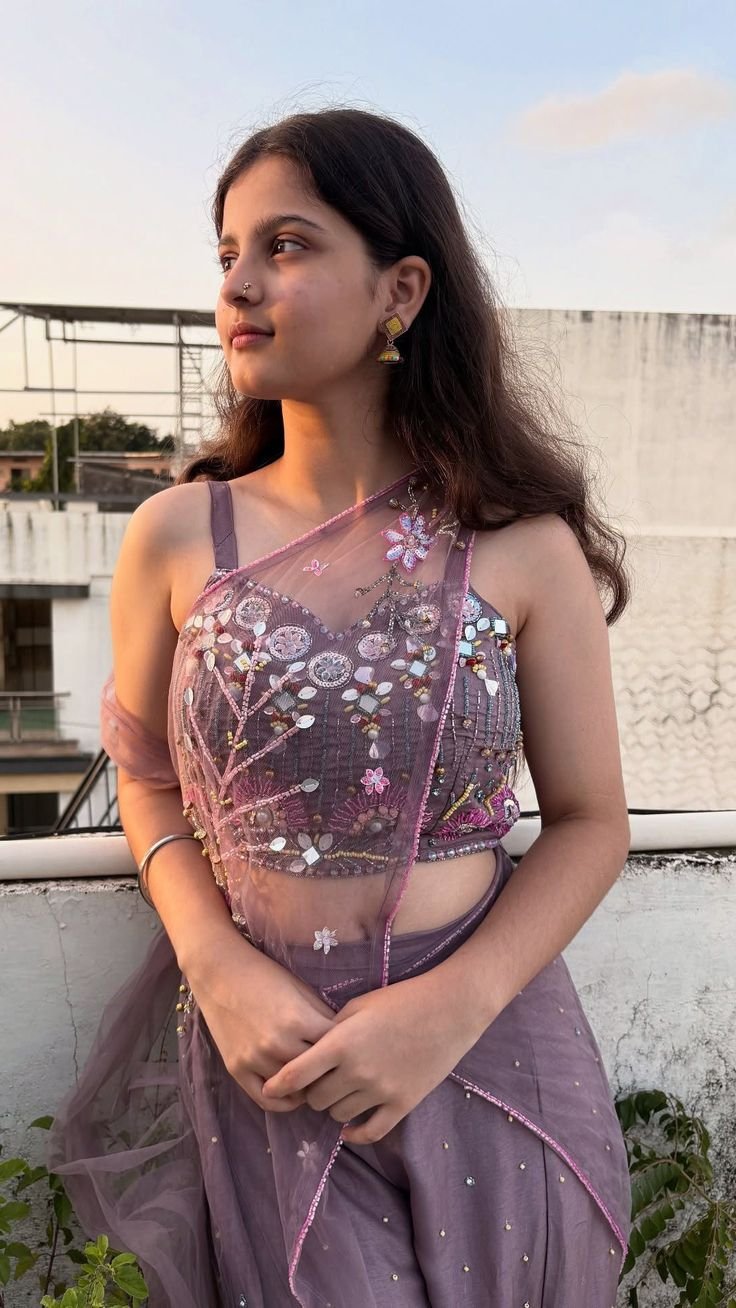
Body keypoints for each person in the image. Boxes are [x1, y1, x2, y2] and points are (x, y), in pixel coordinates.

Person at [49, 107, 634, 1307]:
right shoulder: (178, 535)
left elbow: (590, 821)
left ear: (399, 291)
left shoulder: (519, 546)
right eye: (227, 254)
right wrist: (213, 963)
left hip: (488, 1046)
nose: (238, 285)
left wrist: (447, 1009)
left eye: (287, 245)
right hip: (272, 1056)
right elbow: (146, 778)